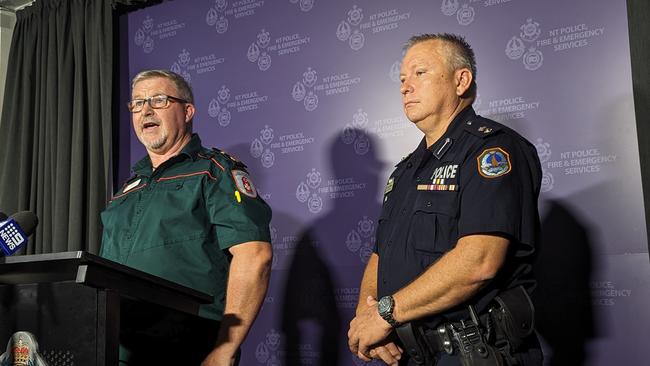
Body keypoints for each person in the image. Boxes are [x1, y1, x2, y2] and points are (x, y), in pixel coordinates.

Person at [347, 33, 543, 366]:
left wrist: (384, 314)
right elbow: (382, 254)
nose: (405, 86)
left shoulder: (491, 150)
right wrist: (368, 315)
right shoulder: (405, 171)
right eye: (402, 78)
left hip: (475, 352)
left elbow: (479, 262)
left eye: (419, 73)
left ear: (461, 80)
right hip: (411, 352)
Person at [100, 70, 272, 366]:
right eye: (138, 103)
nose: (146, 110)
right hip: (118, 351)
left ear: (188, 111)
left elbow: (255, 255)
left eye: (159, 100)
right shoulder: (126, 191)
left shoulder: (215, 170)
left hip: (188, 349)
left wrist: (225, 348)